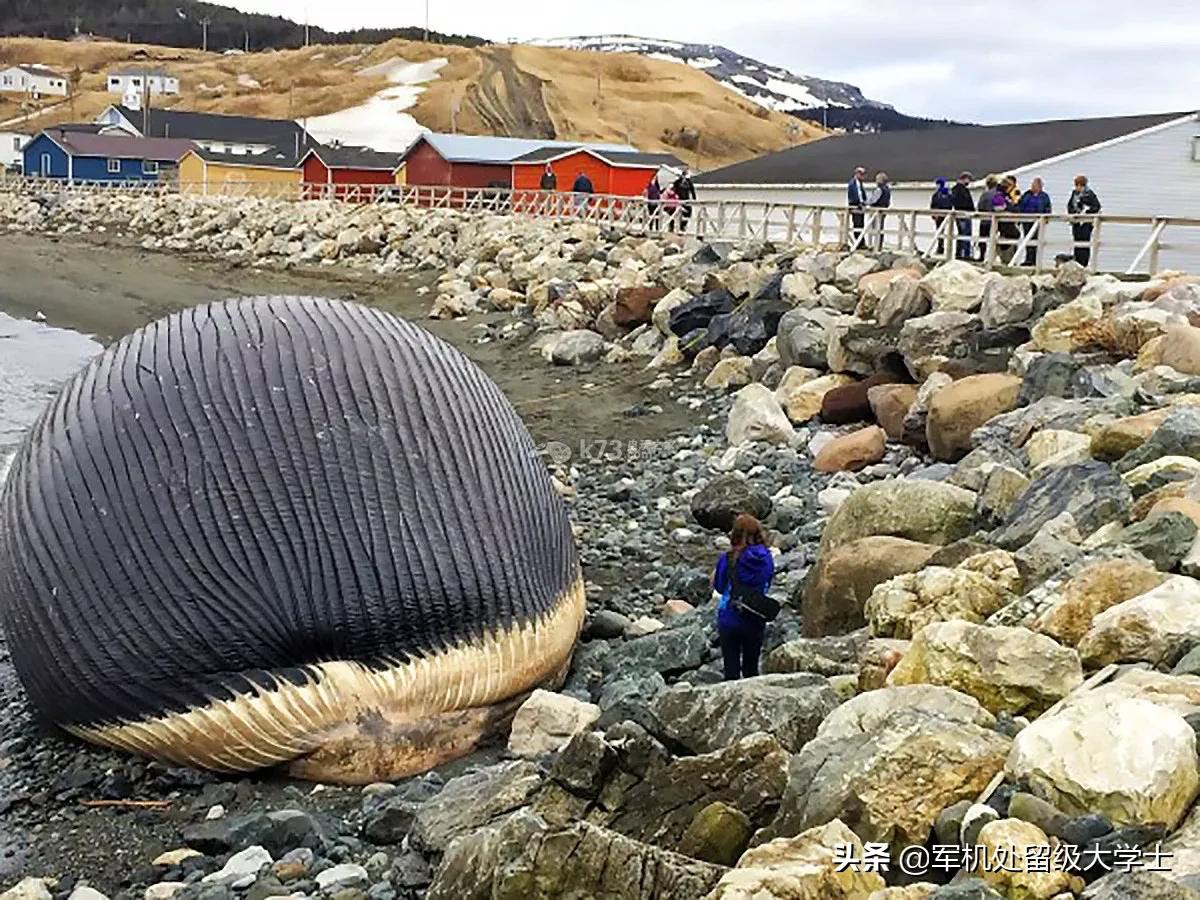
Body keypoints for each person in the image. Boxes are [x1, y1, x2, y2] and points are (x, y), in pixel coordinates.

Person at [712, 513, 774, 681]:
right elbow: (768, 581)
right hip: (755, 615)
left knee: (731, 669)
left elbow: (718, 586)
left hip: (729, 616)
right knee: (751, 669)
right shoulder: (766, 559)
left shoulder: (728, 558)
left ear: (735, 534)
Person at [1068, 175, 1102, 266]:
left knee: (1085, 241)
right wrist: (1072, 214)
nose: (1077, 187)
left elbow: (1096, 206)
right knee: (1077, 241)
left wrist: (1086, 212)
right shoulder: (1074, 194)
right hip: (1076, 222)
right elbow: (1070, 205)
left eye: (1078, 185)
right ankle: (1077, 261)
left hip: (1086, 223)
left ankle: (1084, 262)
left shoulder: (1090, 194)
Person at [1017, 177, 1052, 266]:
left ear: (1040, 186)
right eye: (1032, 185)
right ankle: (1028, 259)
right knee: (1028, 240)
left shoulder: (1044, 196)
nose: (1033, 187)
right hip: (1026, 220)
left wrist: (1046, 218)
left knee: (1036, 240)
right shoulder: (1027, 194)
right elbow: (1020, 205)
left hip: (1038, 221)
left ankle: (1035, 260)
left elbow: (1047, 208)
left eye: (1035, 185)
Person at [950, 171, 975, 260]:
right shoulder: (961, 190)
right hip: (964, 215)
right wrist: (971, 210)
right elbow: (965, 202)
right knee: (965, 234)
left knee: (962, 234)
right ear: (965, 179)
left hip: (960, 214)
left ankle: (959, 253)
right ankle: (966, 254)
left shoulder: (954, 189)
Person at [996, 177, 1021, 265]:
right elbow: (999, 208)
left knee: (1014, 236)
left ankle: (1009, 260)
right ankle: (1004, 258)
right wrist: (1010, 207)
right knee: (1011, 236)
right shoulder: (999, 195)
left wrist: (1011, 207)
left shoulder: (1007, 196)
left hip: (1009, 222)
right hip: (1003, 224)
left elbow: (1016, 208)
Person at [976, 175, 1000, 261]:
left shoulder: (985, 194)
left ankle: (982, 255)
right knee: (994, 239)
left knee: (983, 238)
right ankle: (992, 257)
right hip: (995, 221)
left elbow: (980, 206)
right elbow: (1000, 207)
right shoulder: (998, 194)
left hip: (984, 220)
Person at [930, 177, 953, 256]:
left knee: (943, 231)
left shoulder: (944, 194)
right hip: (939, 215)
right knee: (940, 232)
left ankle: (943, 248)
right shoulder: (937, 194)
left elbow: (948, 204)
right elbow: (933, 205)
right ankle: (940, 247)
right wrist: (933, 214)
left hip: (945, 215)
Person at [846, 165, 869, 248]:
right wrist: (858, 203)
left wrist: (864, 202)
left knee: (861, 224)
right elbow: (855, 195)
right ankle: (859, 243)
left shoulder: (860, 184)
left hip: (860, 206)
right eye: (862, 174)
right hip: (855, 206)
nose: (864, 176)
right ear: (857, 174)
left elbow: (862, 194)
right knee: (857, 224)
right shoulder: (852, 184)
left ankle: (861, 243)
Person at [868, 171, 891, 249]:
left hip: (877, 211)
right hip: (883, 211)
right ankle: (879, 245)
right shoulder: (887, 189)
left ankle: (875, 246)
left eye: (877, 179)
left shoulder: (879, 189)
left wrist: (865, 203)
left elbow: (873, 200)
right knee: (880, 228)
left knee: (876, 228)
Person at [673, 167, 696, 232]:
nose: (684, 177)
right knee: (679, 213)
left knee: (688, 213)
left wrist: (694, 198)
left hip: (686, 199)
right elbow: (674, 190)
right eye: (684, 175)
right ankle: (677, 227)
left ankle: (683, 226)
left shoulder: (689, 182)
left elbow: (692, 190)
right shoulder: (677, 182)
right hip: (679, 200)